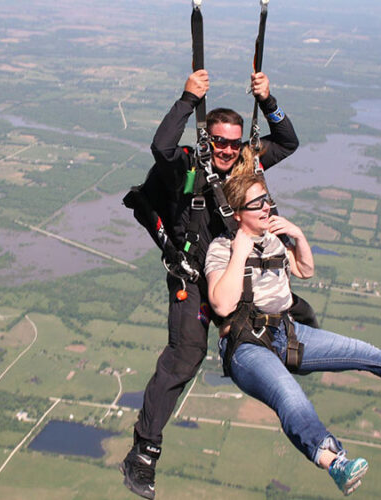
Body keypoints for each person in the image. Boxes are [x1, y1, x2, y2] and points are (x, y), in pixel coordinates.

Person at [204, 173, 381, 496]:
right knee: (289, 395)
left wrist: (297, 235)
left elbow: (305, 270)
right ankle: (334, 460)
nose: (266, 208)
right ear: (236, 211)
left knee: (364, 353)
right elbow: (221, 302)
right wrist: (240, 251)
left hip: (287, 332)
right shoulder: (222, 248)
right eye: (257, 203)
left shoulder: (272, 240)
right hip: (246, 347)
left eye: (267, 200)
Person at [121, 69, 300, 499]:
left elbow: (288, 142)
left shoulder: (246, 163)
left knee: (283, 315)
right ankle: (144, 452)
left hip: (229, 271)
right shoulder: (186, 164)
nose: (225, 149)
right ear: (207, 140)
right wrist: (187, 98)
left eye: (233, 142)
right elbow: (160, 146)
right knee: (186, 355)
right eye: (218, 141)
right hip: (192, 276)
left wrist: (269, 100)